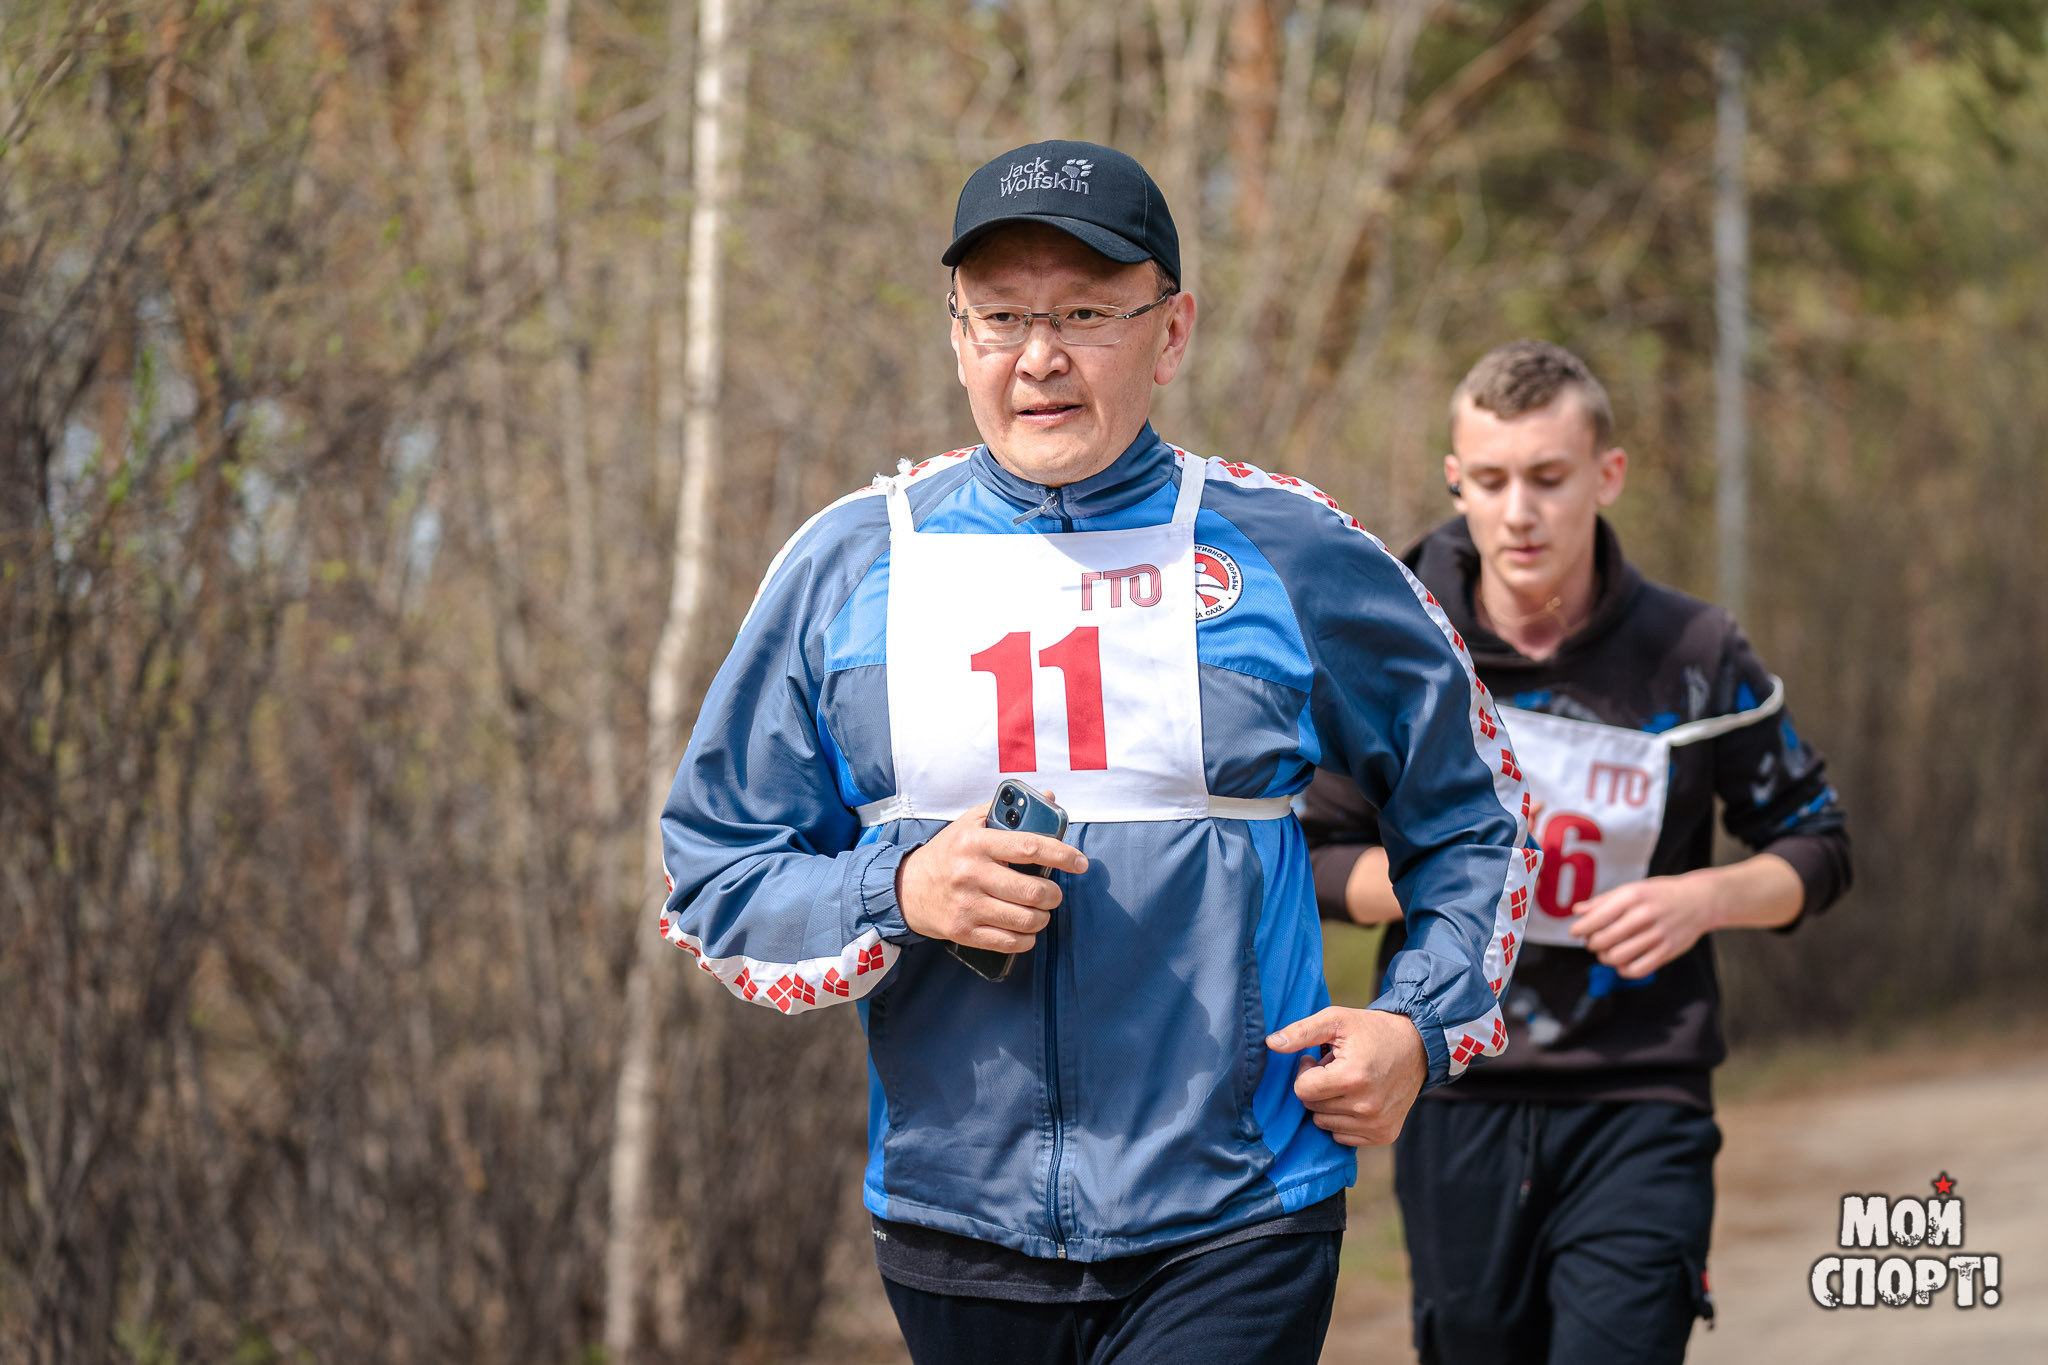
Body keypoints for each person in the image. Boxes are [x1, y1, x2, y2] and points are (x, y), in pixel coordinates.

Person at [655, 141, 1536, 1364]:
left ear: (1169, 333)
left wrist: (1419, 1024)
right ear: (956, 334)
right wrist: (894, 888)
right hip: (950, 1223)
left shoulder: (1289, 552)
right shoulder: (850, 563)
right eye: (1003, 316)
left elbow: (1477, 813)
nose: (1039, 357)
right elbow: (713, 875)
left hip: (1237, 1212)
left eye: (1083, 313)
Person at [1301, 340, 1853, 1365]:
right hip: (1454, 1080)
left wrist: (1701, 899)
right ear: (1454, 481)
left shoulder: (1693, 655)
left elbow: (1816, 847)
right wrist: (1437, 883)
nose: (1520, 512)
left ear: (1605, 477)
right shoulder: (1395, 650)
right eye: (1494, 481)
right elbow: (1313, 856)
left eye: (1548, 480)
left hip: (1640, 1090)